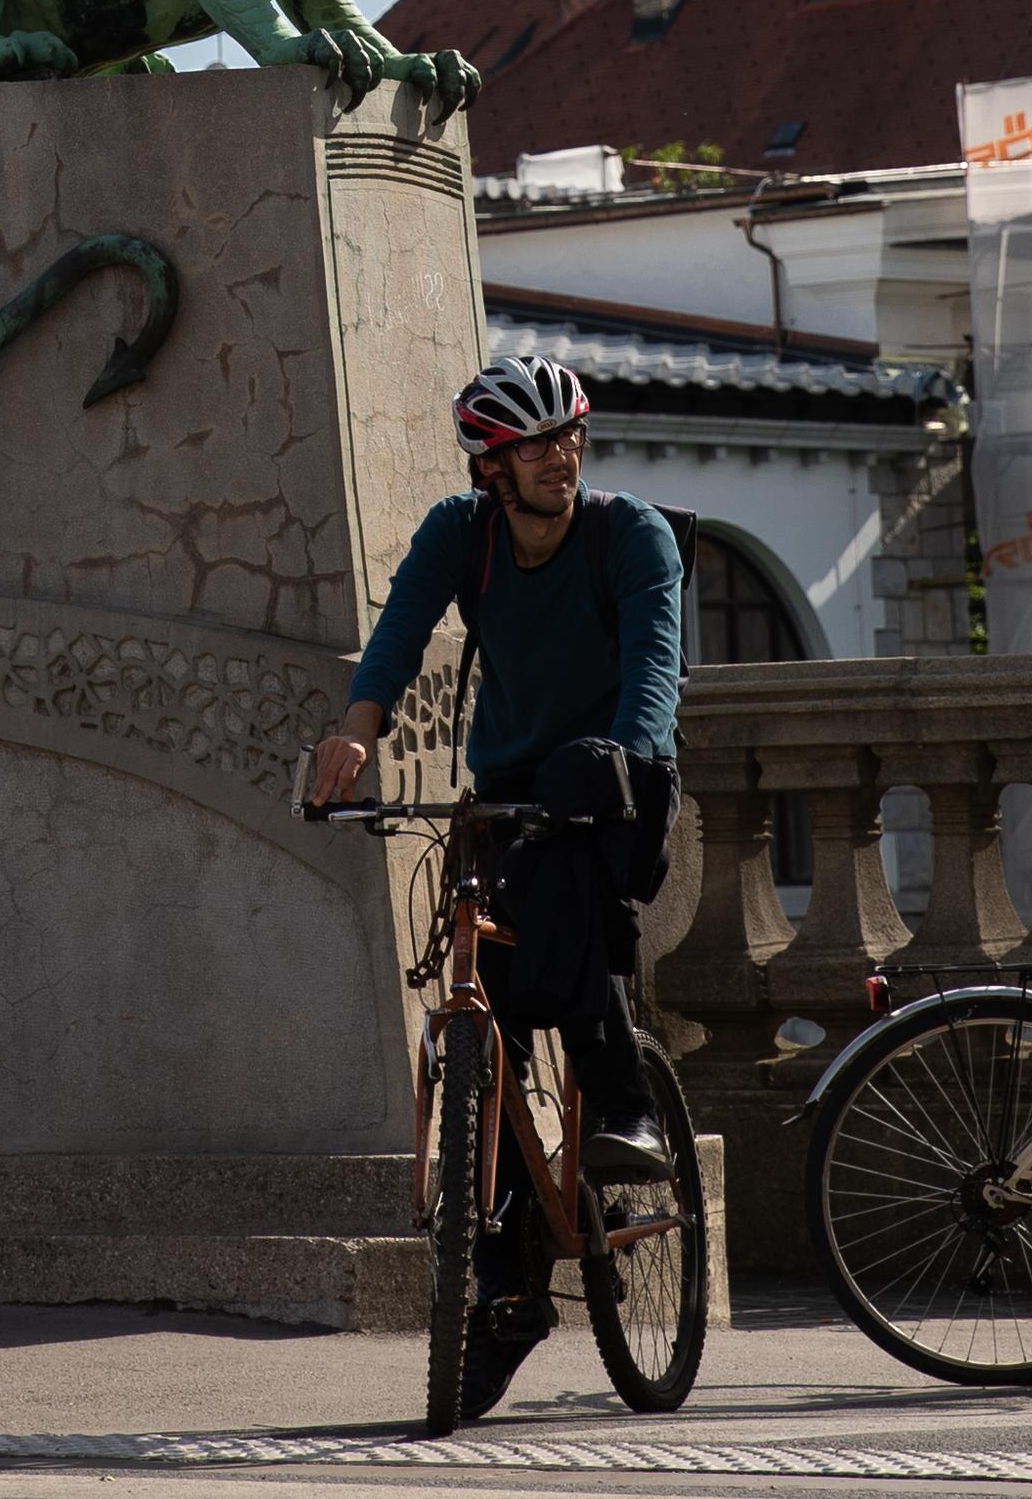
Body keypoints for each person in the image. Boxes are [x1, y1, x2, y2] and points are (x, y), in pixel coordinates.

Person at [307, 353, 683, 1410]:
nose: (562, 457)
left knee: (565, 885)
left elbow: (655, 667)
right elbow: (395, 640)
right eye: (537, 445)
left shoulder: (631, 535)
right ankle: (507, 1289)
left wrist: (624, 759)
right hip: (514, 785)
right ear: (493, 467)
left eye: (570, 436)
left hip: (622, 776)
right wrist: (354, 733)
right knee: (498, 1008)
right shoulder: (459, 537)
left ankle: (626, 1105)